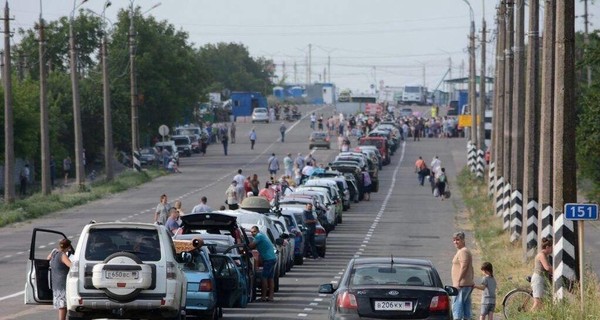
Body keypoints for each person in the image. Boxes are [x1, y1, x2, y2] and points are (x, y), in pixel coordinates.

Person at [249, 226, 277, 302]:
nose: (252, 233)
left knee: (264, 278)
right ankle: (270, 297)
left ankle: (263, 297)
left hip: (269, 259)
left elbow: (251, 246)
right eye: (251, 232)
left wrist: (245, 244)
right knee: (270, 278)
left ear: (257, 231)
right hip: (271, 258)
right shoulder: (261, 236)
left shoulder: (259, 236)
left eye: (254, 231)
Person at [451, 231, 475, 320]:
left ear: (463, 240)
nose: (455, 242)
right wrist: (471, 280)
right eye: (454, 240)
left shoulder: (463, 252)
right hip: (466, 284)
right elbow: (471, 268)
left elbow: (464, 266)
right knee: (466, 310)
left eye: (457, 240)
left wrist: (458, 281)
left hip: (461, 285)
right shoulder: (464, 251)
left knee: (457, 307)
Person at [47, 238, 73, 320]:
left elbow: (47, 259)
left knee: (61, 306)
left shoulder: (54, 252)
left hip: (55, 283)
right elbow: (71, 265)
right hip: (62, 284)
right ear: (68, 247)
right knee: (63, 306)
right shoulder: (63, 255)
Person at [531, 237, 553, 311]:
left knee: (542, 302)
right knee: (537, 303)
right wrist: (557, 271)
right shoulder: (541, 255)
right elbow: (547, 268)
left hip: (542, 279)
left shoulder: (545, 255)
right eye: (551, 248)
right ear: (547, 247)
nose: (552, 250)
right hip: (538, 279)